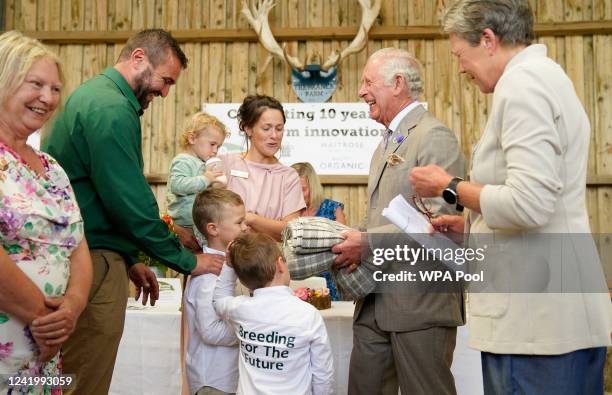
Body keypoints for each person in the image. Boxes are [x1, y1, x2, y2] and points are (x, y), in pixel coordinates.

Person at [409, 1, 612, 393]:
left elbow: (530, 202)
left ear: (487, 39)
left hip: (535, 322)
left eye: (460, 55)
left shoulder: (522, 87)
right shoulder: (548, 77)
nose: (461, 68)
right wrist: (470, 225)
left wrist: (449, 187)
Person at [41, 29, 224, 394]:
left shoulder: (96, 97)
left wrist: (129, 257)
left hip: (93, 252)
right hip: (90, 262)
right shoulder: (111, 108)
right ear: (138, 58)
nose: (165, 92)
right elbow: (128, 200)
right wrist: (186, 261)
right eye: (165, 80)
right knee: (83, 378)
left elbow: (99, 193)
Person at [332, 48, 466, 394]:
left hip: (420, 301)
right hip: (374, 301)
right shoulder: (385, 144)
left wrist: (368, 242)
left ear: (398, 83)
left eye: (367, 82)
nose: (361, 92)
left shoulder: (434, 135)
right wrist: (347, 236)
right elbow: (380, 215)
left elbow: (442, 222)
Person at [0, 31, 92, 392]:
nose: (47, 98)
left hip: (44, 354)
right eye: (35, 84)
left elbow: (77, 245)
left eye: (55, 89)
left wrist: (72, 307)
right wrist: (44, 319)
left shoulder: (51, 166)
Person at [213, 233, 334, 394]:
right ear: (280, 265)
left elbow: (219, 300)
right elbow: (322, 373)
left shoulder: (240, 308)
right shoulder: (307, 314)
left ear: (242, 280)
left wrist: (229, 266)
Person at [184, 185, 248, 395]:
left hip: (225, 376)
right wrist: (252, 327)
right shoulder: (208, 275)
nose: (245, 227)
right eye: (239, 222)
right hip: (213, 379)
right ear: (213, 229)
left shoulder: (227, 265)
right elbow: (210, 331)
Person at [220, 95, 305, 241]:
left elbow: (291, 232)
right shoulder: (226, 163)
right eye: (266, 128)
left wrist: (251, 219)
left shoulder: (288, 176)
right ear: (248, 129)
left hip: (267, 260)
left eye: (279, 129)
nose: (274, 135)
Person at [167, 112, 229, 248]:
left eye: (218, 146)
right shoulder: (183, 160)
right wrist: (206, 179)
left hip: (199, 223)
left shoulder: (203, 164)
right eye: (212, 144)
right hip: (185, 224)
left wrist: (215, 185)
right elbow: (177, 185)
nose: (215, 150)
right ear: (192, 138)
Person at [291, 162, 346, 300]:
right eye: (292, 190)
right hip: (295, 283)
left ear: (313, 187)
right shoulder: (286, 212)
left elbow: (344, 247)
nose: (297, 195)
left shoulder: (333, 209)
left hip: (329, 283)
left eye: (302, 189)